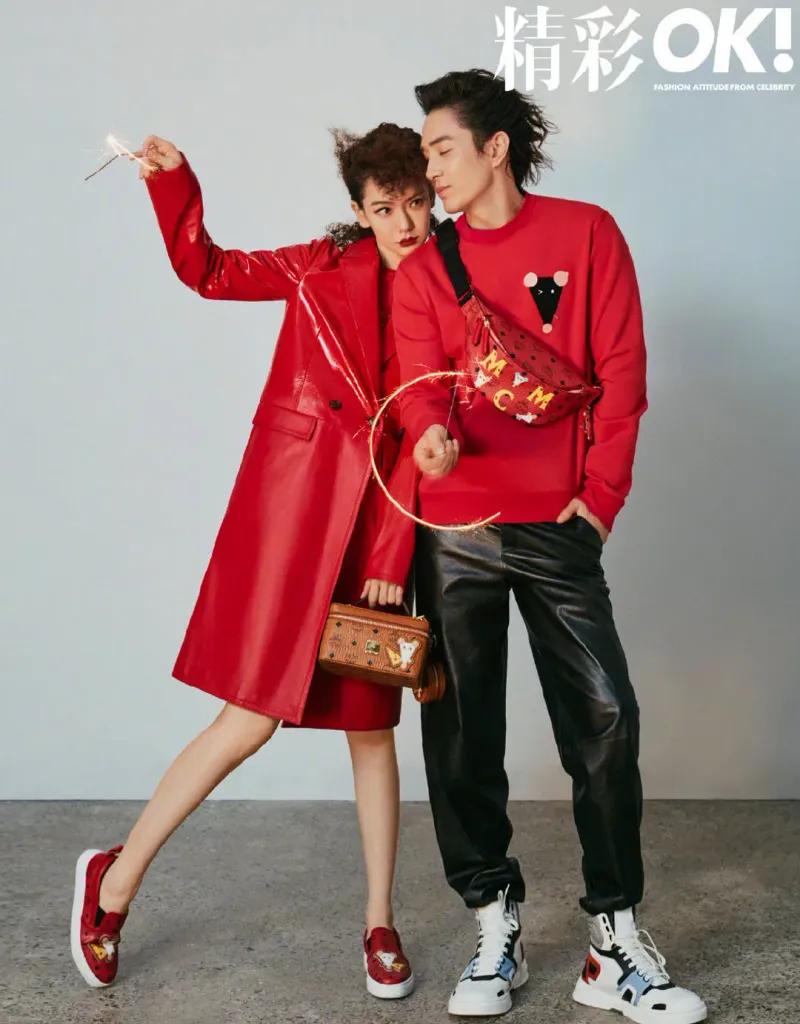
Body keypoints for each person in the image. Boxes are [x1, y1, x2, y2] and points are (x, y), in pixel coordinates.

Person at [70, 123, 431, 1000]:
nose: (405, 223)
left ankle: (380, 920)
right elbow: (211, 270)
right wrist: (175, 184)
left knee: (371, 728)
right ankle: (115, 881)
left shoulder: (454, 286)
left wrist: (394, 549)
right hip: (294, 513)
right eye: (385, 207)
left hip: (377, 528)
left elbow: (435, 428)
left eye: (417, 202)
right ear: (359, 211)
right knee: (249, 718)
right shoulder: (319, 265)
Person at [392, 69, 707, 1023]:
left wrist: (599, 501)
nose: (429, 169)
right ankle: (494, 921)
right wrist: (430, 436)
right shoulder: (423, 270)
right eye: (424, 153)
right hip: (455, 529)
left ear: (494, 148)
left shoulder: (587, 233)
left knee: (605, 717)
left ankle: (614, 941)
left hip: (557, 521)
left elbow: (622, 370)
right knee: (461, 733)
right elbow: (420, 387)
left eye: (442, 148)